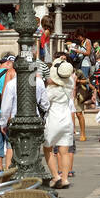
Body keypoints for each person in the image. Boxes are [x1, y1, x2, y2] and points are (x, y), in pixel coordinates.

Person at [43, 59, 76, 188]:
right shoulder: (70, 83)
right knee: (64, 151)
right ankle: (65, 178)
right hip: (66, 119)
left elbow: (44, 103)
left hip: (54, 119)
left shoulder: (52, 90)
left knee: (48, 148)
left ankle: (55, 176)